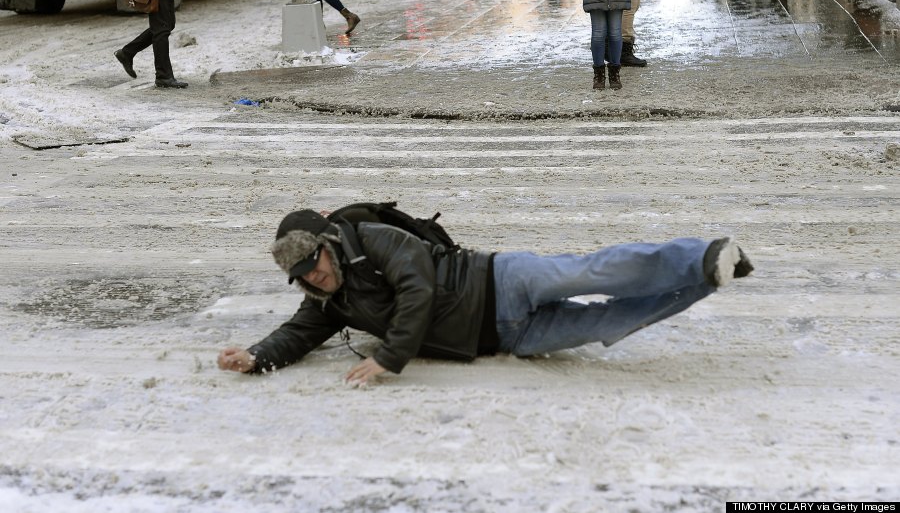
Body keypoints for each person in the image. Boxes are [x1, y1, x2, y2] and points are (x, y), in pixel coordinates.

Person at [217, 208, 754, 385]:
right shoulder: (326, 302)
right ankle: (708, 280)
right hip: (505, 337)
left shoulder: (375, 241)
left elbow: (418, 288)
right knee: (607, 325)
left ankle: (701, 255)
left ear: (327, 246)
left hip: (501, 281)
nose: (316, 280)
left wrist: (388, 357)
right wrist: (258, 356)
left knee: (593, 273)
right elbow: (298, 332)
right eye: (305, 278)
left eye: (316, 266)